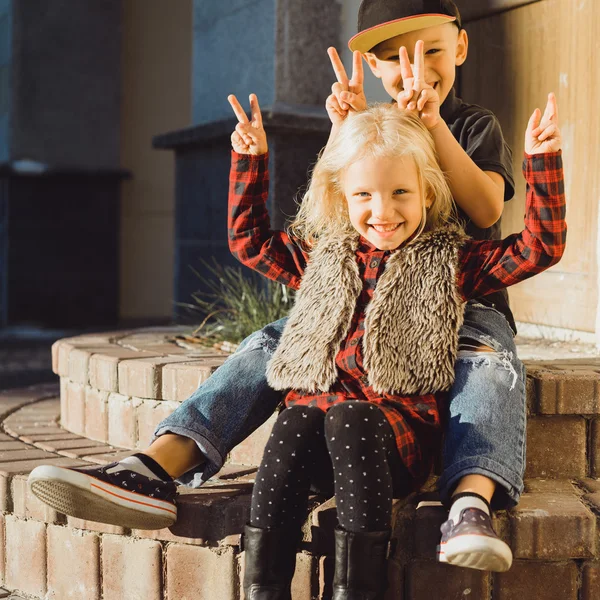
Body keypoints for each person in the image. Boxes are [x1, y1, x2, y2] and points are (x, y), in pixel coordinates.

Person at [28, 0, 550, 572]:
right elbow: (323, 220)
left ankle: (471, 503)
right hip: (359, 295)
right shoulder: (368, 132)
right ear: (374, 69)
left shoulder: (472, 124)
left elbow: (482, 207)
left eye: (430, 51)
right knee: (272, 344)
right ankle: (154, 468)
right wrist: (338, 133)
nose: (414, 69)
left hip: (461, 300)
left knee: (487, 366)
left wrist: (429, 126)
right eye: (395, 60)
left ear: (461, 48)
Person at [227, 92, 564, 599]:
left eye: (399, 193)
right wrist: (250, 159)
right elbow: (248, 241)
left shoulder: (451, 260)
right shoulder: (321, 255)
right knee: (298, 414)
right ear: (343, 198)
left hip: (390, 446)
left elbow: (539, 247)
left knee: (351, 416)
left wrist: (541, 163)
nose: (382, 211)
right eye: (364, 195)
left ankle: (358, 590)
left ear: (427, 193)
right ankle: (264, 588)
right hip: (314, 452)